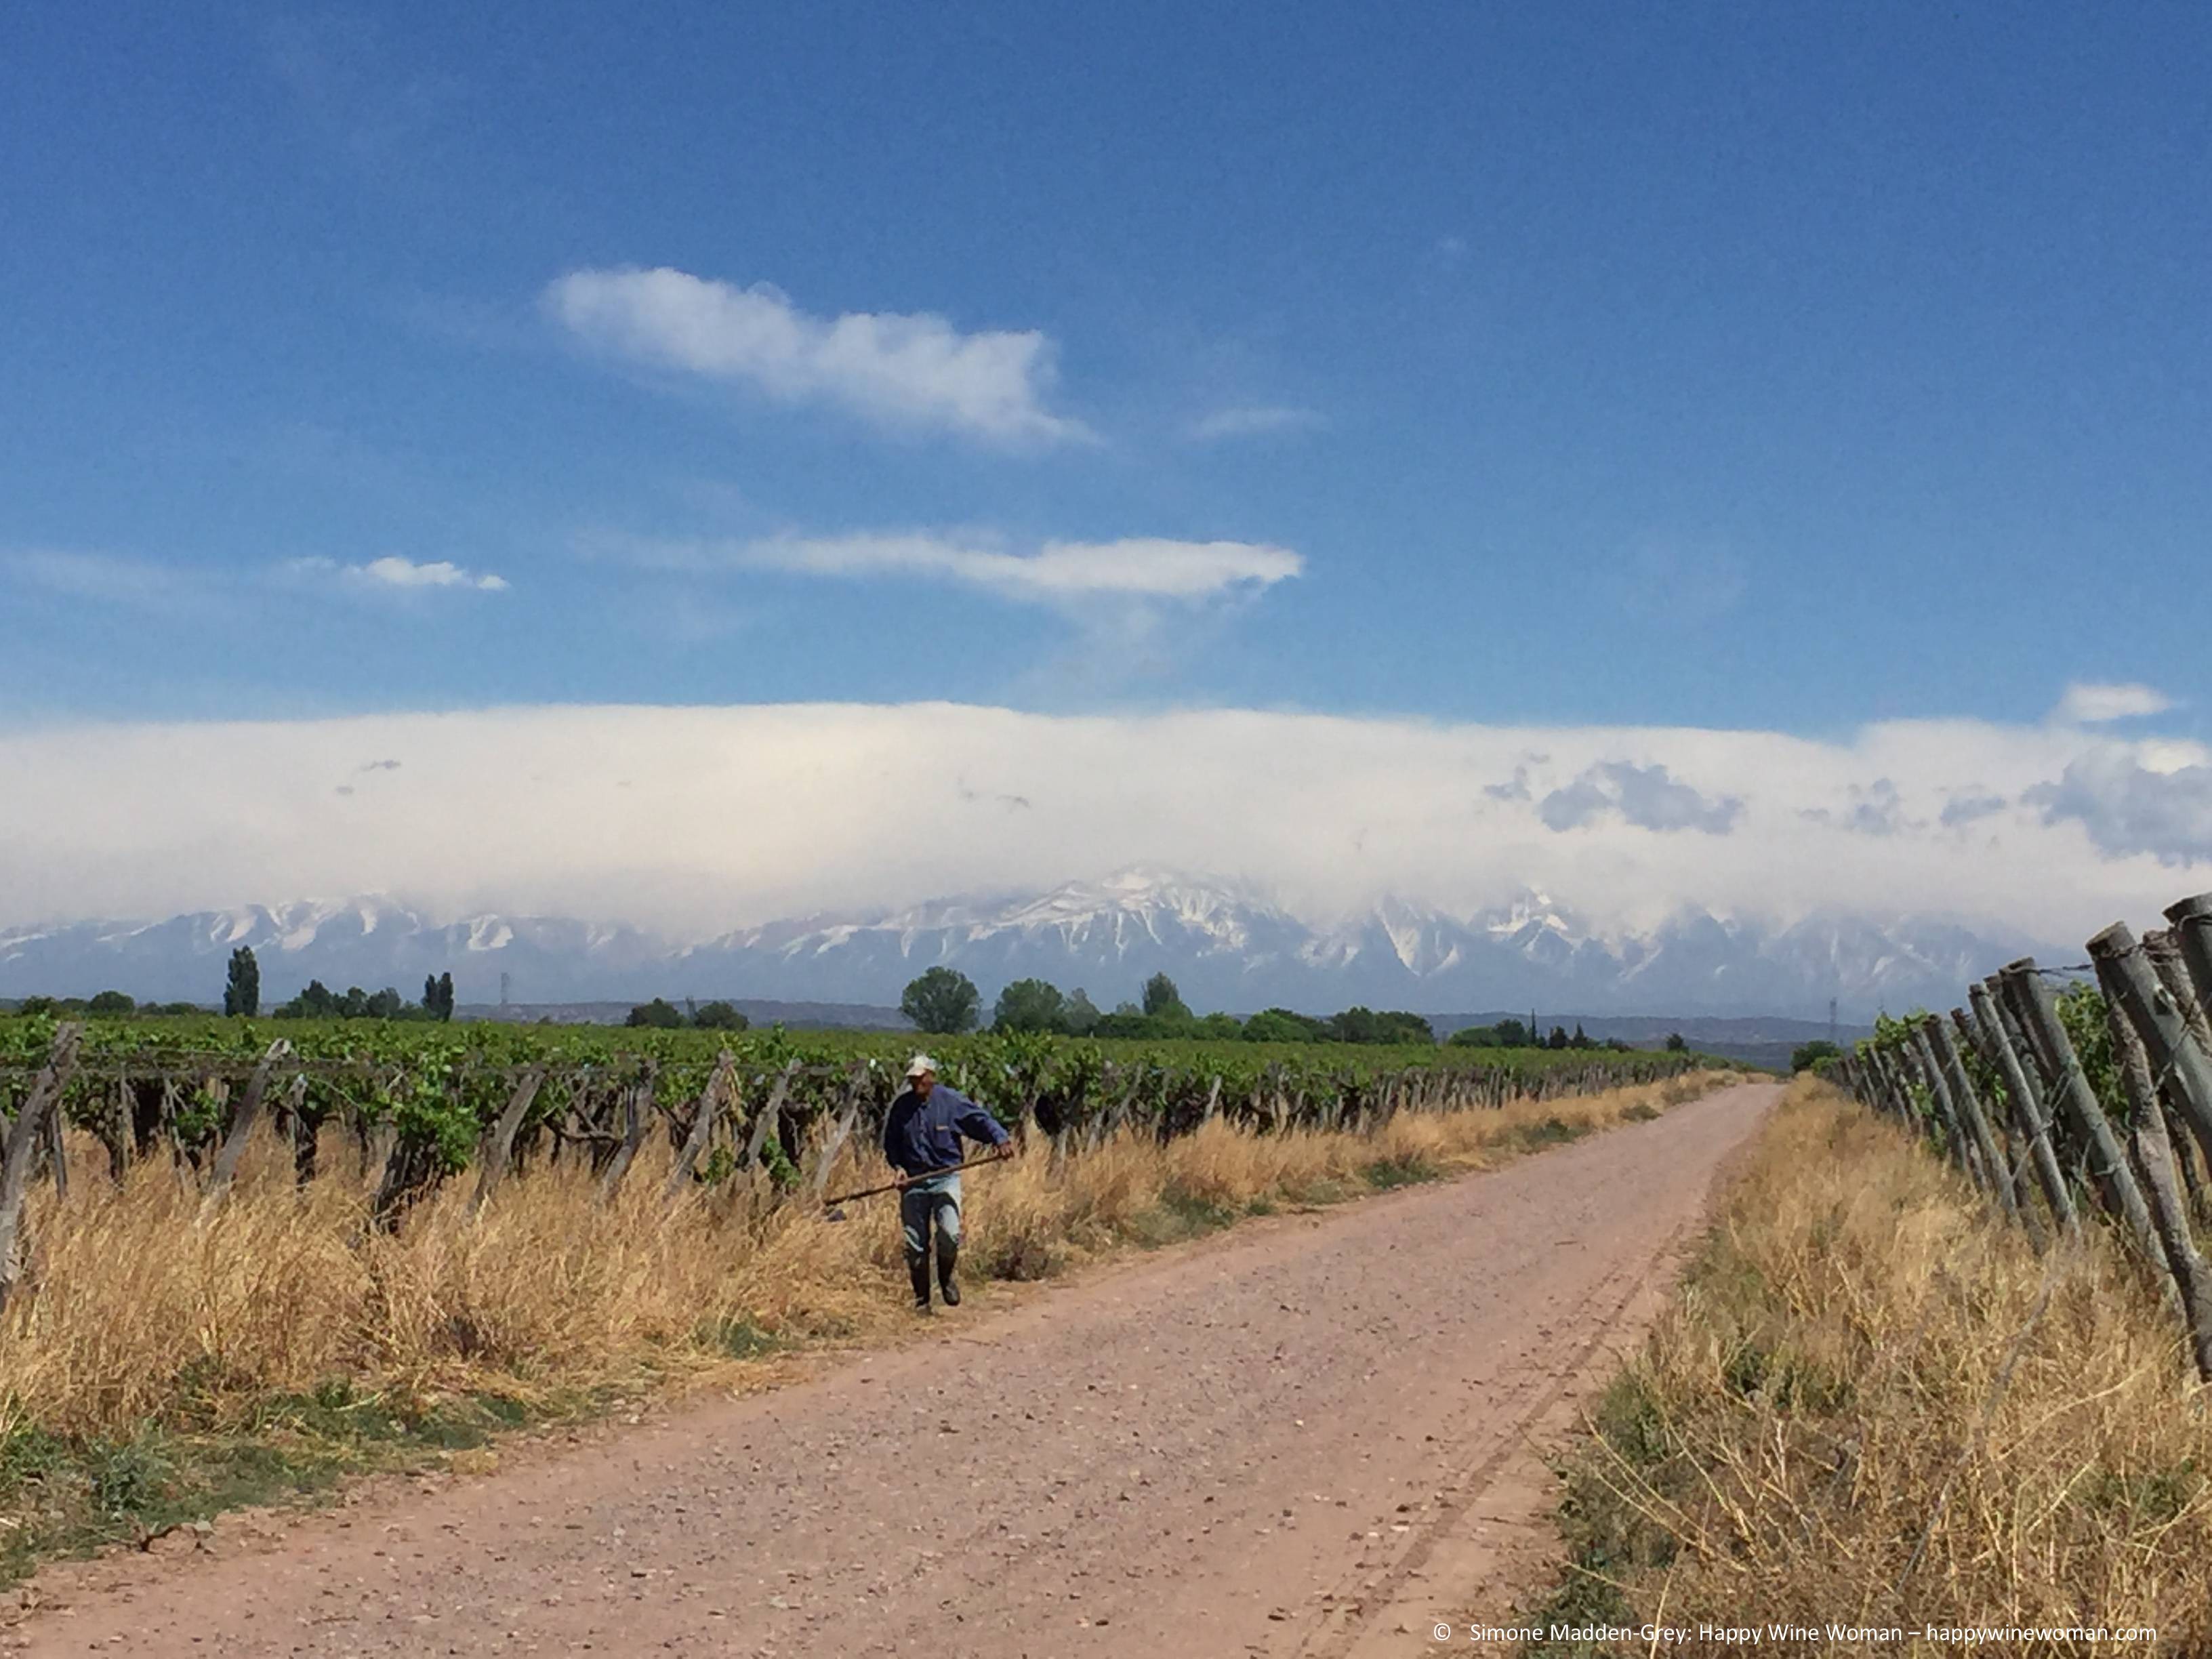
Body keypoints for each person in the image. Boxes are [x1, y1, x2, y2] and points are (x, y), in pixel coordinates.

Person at [881, 1053, 1012, 1311]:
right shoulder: (901, 1108)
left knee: (950, 1234)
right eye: (912, 1079)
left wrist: (1000, 1139)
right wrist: (898, 1168)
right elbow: (891, 1143)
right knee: (915, 1244)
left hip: (946, 1176)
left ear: (931, 1076)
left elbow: (980, 1120)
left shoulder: (951, 1101)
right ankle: (922, 1301)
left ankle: (945, 1278)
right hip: (914, 1180)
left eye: (921, 1078)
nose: (916, 1083)